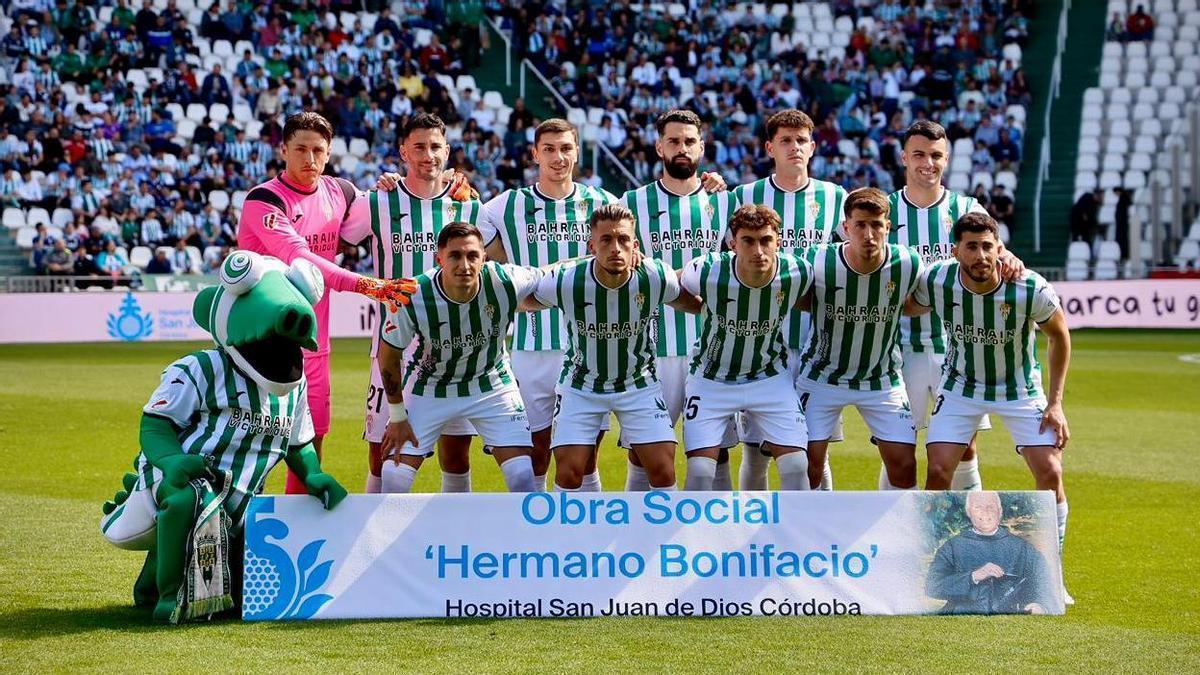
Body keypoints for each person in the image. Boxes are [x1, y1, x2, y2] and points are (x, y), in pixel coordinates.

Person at [99, 252, 346, 622]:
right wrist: (172, 462)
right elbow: (155, 423)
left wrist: (312, 474)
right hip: (181, 479)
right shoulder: (201, 368)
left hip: (244, 496)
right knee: (186, 503)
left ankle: (151, 588)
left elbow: (298, 443)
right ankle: (171, 596)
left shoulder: (293, 390)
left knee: (239, 572)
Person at [237, 111, 413, 495]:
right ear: (283, 150)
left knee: (310, 443)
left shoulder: (342, 192)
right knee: (253, 448)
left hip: (313, 344)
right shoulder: (263, 200)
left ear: (330, 153)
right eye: (300, 149)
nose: (309, 159)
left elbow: (389, 211)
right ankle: (238, 532)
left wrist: (406, 184)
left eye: (318, 150)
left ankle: (292, 535)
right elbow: (304, 261)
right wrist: (371, 285)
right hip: (257, 343)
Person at [907, 211, 1073, 601]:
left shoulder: (1029, 287)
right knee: (938, 468)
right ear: (955, 251)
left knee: (1050, 470)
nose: (981, 255)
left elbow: (1060, 338)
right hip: (961, 385)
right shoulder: (937, 279)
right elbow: (908, 305)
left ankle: (1053, 575)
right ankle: (934, 574)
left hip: (1019, 389)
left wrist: (1056, 403)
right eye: (972, 247)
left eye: (988, 246)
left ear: (999, 248)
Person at [476, 118, 619, 492]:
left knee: (585, 455)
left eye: (566, 149)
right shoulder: (504, 206)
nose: (559, 158)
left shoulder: (604, 203)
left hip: (590, 346)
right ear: (535, 153)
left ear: (577, 153)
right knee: (536, 451)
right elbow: (483, 262)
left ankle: (585, 534)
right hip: (531, 348)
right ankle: (538, 540)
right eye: (550, 149)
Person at [343, 112, 481, 494]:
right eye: (418, 146)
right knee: (382, 452)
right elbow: (337, 236)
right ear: (403, 151)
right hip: (392, 350)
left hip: (454, 349)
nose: (428, 155)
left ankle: (457, 543)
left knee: (456, 455)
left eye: (435, 146)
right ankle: (371, 546)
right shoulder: (378, 202)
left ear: (447, 151)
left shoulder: (467, 206)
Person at [888, 120, 1024, 492]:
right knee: (898, 451)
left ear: (946, 159)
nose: (927, 163)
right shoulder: (884, 211)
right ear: (904, 158)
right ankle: (896, 532)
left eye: (935, 155)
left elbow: (993, 247)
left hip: (956, 349)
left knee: (964, 448)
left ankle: (969, 532)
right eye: (918, 154)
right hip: (898, 350)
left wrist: (1010, 258)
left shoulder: (965, 207)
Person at [528, 204, 697, 491]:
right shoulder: (567, 279)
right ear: (592, 245)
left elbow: (695, 305)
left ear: (635, 245)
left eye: (623, 240)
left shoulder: (655, 276)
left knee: (663, 469)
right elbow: (522, 302)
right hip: (581, 384)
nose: (616, 248)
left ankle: (655, 536)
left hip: (638, 384)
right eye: (606, 240)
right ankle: (568, 537)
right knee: (569, 472)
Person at [621, 109, 739, 491]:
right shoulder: (633, 202)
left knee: (716, 448)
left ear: (702, 147)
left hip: (712, 345)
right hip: (652, 345)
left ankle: (718, 537)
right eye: (673, 141)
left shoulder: (724, 202)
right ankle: (637, 535)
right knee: (644, 449)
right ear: (659, 147)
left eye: (689, 141)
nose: (682, 148)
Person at [732, 108, 847, 490]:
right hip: (760, 343)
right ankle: (755, 531)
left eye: (801, 141)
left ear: (813, 147)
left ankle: (814, 532)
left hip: (819, 344)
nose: (794, 147)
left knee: (815, 450)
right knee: (756, 451)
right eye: (786, 140)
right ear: (770, 147)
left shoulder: (835, 198)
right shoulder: (744, 195)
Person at [376, 223, 538, 494]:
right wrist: (397, 416)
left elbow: (555, 274)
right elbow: (389, 356)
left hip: (491, 382)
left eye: (473, 256)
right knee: (393, 478)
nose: (465, 264)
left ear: (484, 258)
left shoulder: (506, 279)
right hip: (430, 385)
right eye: (455, 256)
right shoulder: (413, 296)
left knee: (522, 475)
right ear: (439, 258)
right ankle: (391, 537)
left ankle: (529, 537)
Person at [680, 204, 813, 491]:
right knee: (701, 470)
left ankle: (796, 536)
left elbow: (817, 300)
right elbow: (666, 285)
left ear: (778, 242)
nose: (758, 250)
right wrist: (702, 308)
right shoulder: (706, 270)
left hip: (770, 377)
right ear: (732, 244)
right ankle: (698, 536)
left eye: (766, 240)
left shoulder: (798, 271)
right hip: (710, 378)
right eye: (748, 241)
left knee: (796, 465)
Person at [797, 187, 922, 491]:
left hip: (882, 379)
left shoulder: (908, 263)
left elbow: (920, 303)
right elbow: (795, 296)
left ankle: (898, 535)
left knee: (905, 466)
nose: (869, 234)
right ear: (845, 228)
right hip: (821, 375)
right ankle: (813, 533)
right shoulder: (817, 259)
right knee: (807, 464)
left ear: (888, 228)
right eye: (860, 225)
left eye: (877, 225)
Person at [925, 491, 1054, 614]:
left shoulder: (1023, 548)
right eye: (977, 507)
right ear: (968, 512)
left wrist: (1041, 605)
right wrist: (973, 577)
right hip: (961, 617)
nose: (985, 512)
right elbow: (932, 586)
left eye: (990, 507)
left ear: (1000, 511)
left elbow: (1045, 582)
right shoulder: (952, 547)